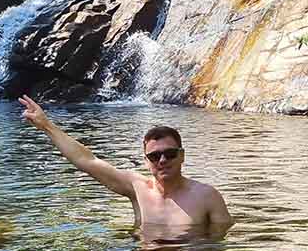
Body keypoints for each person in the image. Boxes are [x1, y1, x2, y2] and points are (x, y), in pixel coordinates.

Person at [17, 95, 233, 228]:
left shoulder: (207, 196)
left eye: (170, 153)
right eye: (155, 156)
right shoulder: (137, 188)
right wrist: (46, 125)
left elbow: (218, 244)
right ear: (147, 161)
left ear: (182, 155)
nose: (163, 160)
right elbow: (86, 160)